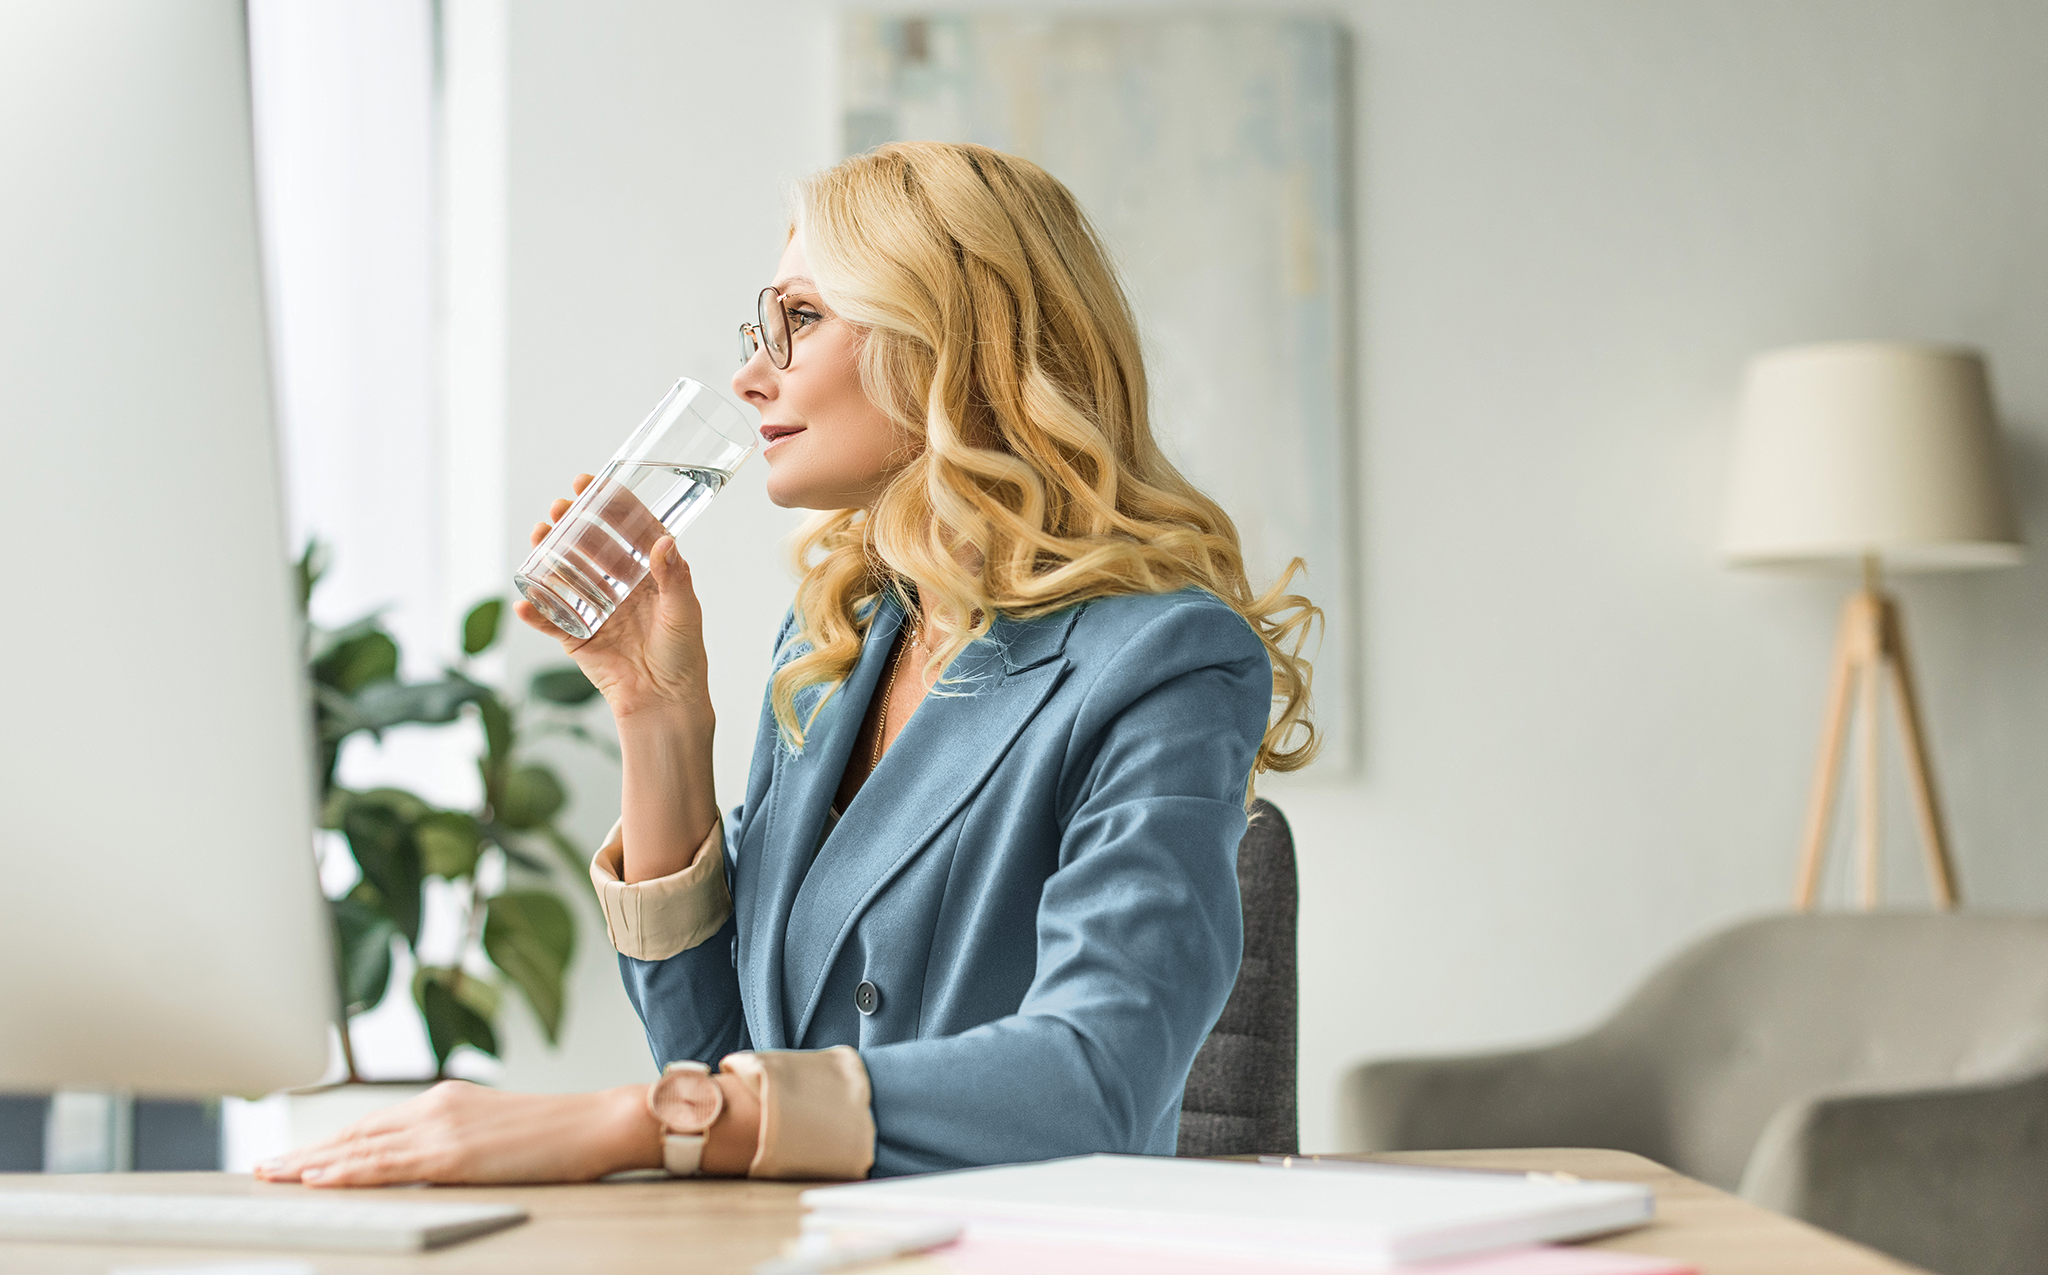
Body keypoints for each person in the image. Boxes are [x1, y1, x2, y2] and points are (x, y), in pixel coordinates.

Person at [257, 141, 1318, 1187]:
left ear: (950, 346)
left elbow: (1098, 1080)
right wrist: (657, 713)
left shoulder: (1163, 658)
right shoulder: (834, 642)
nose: (748, 373)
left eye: (799, 320)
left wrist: (635, 1124)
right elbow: (716, 1065)